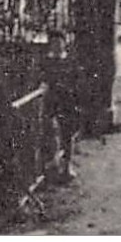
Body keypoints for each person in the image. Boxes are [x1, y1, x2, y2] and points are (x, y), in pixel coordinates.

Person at [43, 29, 79, 183]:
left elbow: (77, 80)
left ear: (64, 44)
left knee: (67, 135)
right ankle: (53, 162)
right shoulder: (46, 61)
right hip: (51, 101)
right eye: (53, 43)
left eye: (59, 42)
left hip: (67, 101)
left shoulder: (70, 61)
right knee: (52, 131)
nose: (57, 46)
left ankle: (67, 166)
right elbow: (42, 78)